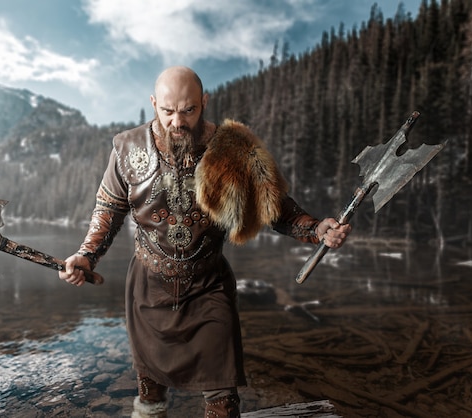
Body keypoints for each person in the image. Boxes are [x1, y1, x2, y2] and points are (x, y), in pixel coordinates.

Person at [59, 66, 351, 418]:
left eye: (188, 110)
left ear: (204, 102)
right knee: (150, 394)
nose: (177, 121)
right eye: (167, 111)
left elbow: (274, 206)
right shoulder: (127, 148)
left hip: (209, 286)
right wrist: (87, 254)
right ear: (153, 103)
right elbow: (108, 208)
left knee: (223, 397)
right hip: (148, 289)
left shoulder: (232, 149)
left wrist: (317, 228)